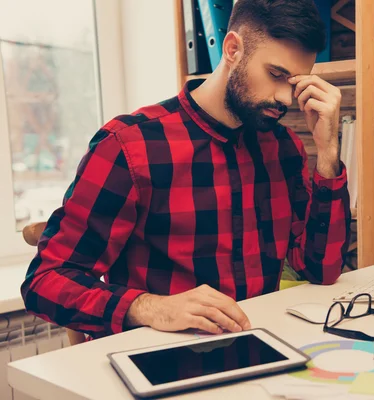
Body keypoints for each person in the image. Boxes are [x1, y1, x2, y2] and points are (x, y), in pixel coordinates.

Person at [20, 0, 350, 340]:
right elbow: (45, 283)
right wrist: (153, 307)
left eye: (294, 83)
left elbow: (321, 269)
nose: (285, 98)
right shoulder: (129, 146)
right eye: (276, 75)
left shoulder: (284, 149)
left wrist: (327, 153)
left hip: (259, 348)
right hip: (157, 359)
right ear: (233, 49)